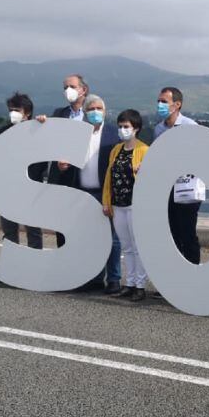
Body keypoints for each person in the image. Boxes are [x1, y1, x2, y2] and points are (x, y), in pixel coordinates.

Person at [54, 94, 122, 294]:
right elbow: (62, 161)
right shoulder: (75, 134)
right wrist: (61, 166)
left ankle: (114, 279)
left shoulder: (114, 134)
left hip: (105, 194)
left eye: (99, 108)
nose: (95, 112)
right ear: (85, 111)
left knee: (112, 239)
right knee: (88, 239)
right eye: (91, 109)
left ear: (105, 111)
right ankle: (93, 277)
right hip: (81, 193)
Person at [102, 110, 150, 302]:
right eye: (120, 126)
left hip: (135, 205)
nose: (122, 130)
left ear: (136, 128)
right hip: (118, 204)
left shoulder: (145, 150)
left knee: (138, 247)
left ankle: (140, 286)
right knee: (126, 247)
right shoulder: (116, 150)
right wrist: (107, 200)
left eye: (126, 126)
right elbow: (109, 177)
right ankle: (129, 284)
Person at [152, 86, 202, 264]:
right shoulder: (158, 129)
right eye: (158, 101)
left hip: (187, 187)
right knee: (171, 233)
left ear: (177, 104)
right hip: (168, 188)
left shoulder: (190, 126)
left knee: (187, 233)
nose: (160, 105)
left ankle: (193, 275)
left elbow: (199, 156)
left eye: (164, 101)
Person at [45, 74, 90, 248]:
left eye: (71, 86)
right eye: (65, 87)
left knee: (82, 225)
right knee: (61, 224)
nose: (67, 91)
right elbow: (51, 141)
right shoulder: (59, 114)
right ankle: (63, 263)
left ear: (83, 89)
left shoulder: (92, 114)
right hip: (62, 176)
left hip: (85, 177)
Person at [0, 92, 45, 250]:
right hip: (8, 188)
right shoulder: (3, 132)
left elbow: (42, 161)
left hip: (31, 187)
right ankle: (11, 265)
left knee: (33, 230)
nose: (13, 113)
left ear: (27, 112)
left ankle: (34, 264)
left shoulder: (37, 131)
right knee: (9, 230)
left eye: (17, 110)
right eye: (11, 109)